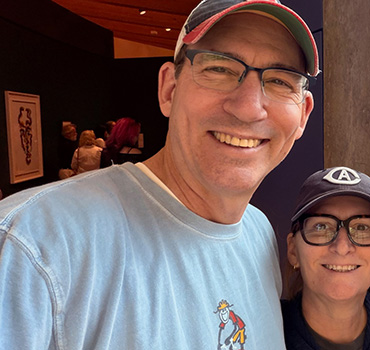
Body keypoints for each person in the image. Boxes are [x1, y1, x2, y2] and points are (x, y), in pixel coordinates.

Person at [0, 0, 319, 348]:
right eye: (219, 69)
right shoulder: (34, 245)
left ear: (302, 115)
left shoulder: (258, 233)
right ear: (169, 89)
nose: (248, 107)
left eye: (279, 80)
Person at [282, 166, 370, 349]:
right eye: (321, 227)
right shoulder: (263, 331)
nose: (342, 247)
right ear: (293, 250)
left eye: (361, 228)